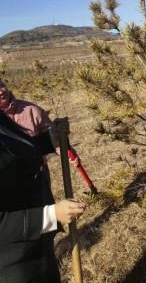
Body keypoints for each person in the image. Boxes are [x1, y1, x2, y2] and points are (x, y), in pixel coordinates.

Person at [0, 113, 86, 282]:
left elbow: (15, 154)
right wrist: (50, 215)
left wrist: (50, 138)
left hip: (37, 245)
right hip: (14, 263)